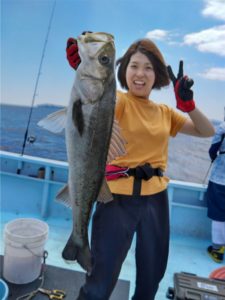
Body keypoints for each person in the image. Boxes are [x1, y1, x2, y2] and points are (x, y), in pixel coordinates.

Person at [66, 32, 215, 300]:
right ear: (123, 71)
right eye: (134, 66)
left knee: (151, 277)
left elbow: (206, 131)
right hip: (116, 200)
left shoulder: (165, 113)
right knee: (101, 278)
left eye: (148, 68)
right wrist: (85, 67)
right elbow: (93, 98)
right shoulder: (117, 100)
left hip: (156, 202)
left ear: (157, 75)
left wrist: (188, 105)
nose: (140, 74)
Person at [206, 120, 225, 263]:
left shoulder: (223, 126)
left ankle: (217, 250)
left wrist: (215, 157)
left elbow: (213, 150)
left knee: (218, 213)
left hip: (220, 178)